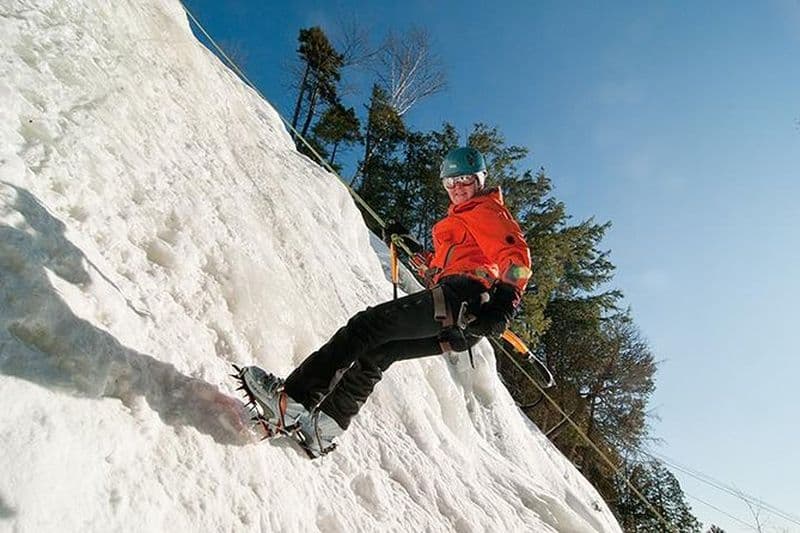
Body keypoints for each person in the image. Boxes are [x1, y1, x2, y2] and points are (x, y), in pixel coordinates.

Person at [237, 147, 532, 457]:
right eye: (451, 182)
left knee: (367, 327)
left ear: (480, 180)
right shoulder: (460, 222)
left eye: (465, 180)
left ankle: (293, 398)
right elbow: (441, 270)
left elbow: (518, 257)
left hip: (463, 299)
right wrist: (412, 248)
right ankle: (324, 429)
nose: (458, 188)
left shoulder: (485, 211)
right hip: (460, 321)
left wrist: (505, 303)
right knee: (380, 352)